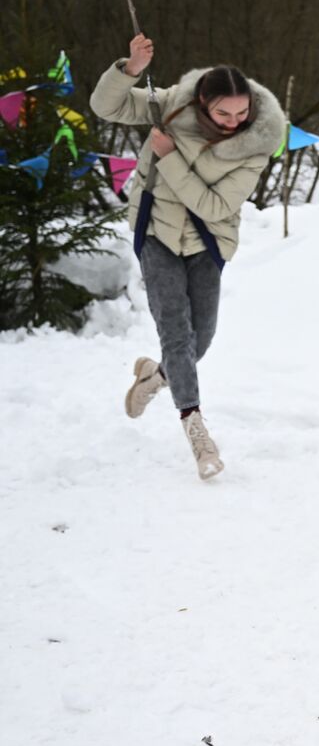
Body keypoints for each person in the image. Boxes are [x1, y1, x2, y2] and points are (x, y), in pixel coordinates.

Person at [92, 33, 286, 480]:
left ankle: (153, 376)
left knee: (204, 338)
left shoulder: (256, 144)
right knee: (177, 334)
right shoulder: (171, 106)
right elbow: (109, 107)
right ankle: (196, 428)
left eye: (242, 113)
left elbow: (215, 206)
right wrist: (130, 70)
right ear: (202, 102)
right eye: (223, 112)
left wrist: (168, 157)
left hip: (207, 242)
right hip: (156, 233)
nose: (234, 121)